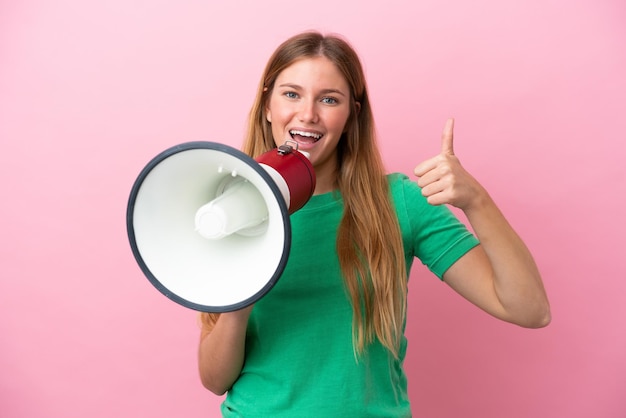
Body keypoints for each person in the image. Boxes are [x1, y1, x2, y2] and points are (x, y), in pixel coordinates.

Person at [197, 31, 551, 417]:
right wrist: (238, 301)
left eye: (329, 99)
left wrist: (476, 201)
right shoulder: (226, 212)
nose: (308, 114)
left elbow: (529, 309)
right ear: (267, 105)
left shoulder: (399, 203)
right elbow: (215, 378)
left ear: (351, 116)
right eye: (291, 94)